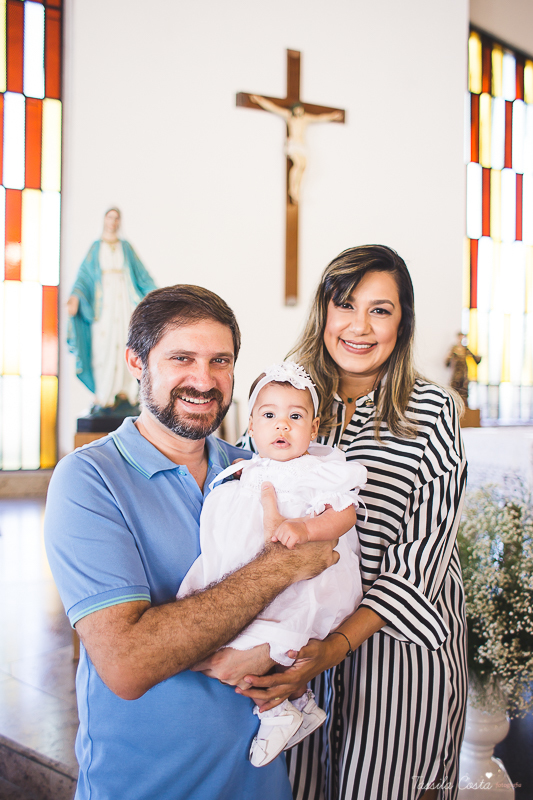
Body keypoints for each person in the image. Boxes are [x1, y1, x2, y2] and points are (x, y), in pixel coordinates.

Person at [45, 285, 339, 800]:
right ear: (137, 360)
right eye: (182, 358)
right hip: (150, 786)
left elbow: (326, 576)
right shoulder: (90, 479)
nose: (203, 380)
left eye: (219, 361)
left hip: (261, 781)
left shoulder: (256, 469)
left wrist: (292, 655)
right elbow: (129, 663)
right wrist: (279, 568)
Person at [199, 246, 468, 800]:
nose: (360, 326)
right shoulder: (285, 398)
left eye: (381, 309)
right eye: (346, 304)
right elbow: (248, 496)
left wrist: (335, 647)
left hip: (394, 655)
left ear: (403, 321)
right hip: (292, 644)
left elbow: (420, 561)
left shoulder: (433, 413)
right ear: (324, 310)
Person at [178, 362, 367, 768]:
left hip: (304, 581)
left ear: (313, 427)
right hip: (250, 572)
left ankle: (279, 710)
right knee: (226, 630)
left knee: (271, 632)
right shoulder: (247, 469)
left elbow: (345, 513)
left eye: (295, 417)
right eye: (269, 416)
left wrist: (307, 526)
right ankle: (298, 704)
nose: (282, 426)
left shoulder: (318, 469)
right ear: (250, 423)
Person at [66, 207, 157, 409]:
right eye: (110, 218)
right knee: (103, 346)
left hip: (124, 302)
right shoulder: (95, 248)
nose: (113, 222)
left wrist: (156, 295)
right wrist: (75, 297)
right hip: (104, 306)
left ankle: (126, 392)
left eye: (116, 218)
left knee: (126, 342)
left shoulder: (126, 248)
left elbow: (142, 276)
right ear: (104, 220)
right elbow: (83, 278)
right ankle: (104, 394)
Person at [249, 95, 343, 204]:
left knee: (304, 166)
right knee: (298, 164)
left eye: (300, 110)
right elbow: (273, 107)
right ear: (294, 109)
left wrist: (332, 116)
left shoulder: (305, 118)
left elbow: (319, 117)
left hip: (302, 145)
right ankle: (292, 189)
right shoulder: (289, 116)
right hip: (293, 144)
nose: (298, 112)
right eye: (297, 110)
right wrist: (260, 100)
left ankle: (297, 190)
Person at [445, 331, 481, 406]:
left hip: (464, 372)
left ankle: (465, 406)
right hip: (456, 373)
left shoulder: (466, 349)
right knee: (454, 389)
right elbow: (447, 362)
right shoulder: (454, 348)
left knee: (464, 390)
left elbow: (476, 359)